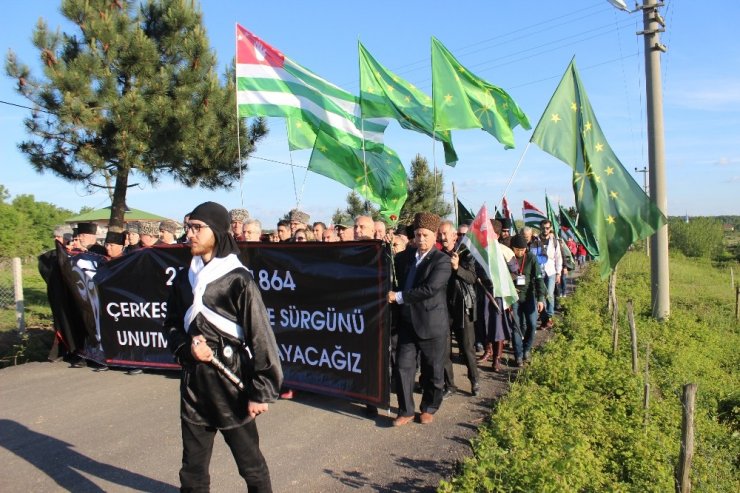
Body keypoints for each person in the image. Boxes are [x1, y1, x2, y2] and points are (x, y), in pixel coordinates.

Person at [164, 201, 283, 492]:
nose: (189, 234)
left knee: (251, 466)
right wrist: (186, 348)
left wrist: (261, 391)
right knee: (192, 470)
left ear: (216, 231)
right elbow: (171, 326)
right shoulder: (183, 278)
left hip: (232, 385)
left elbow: (261, 336)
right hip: (194, 385)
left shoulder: (238, 279)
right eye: (188, 227)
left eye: (197, 228)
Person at [388, 212, 451, 426]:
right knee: (403, 368)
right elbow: (392, 275)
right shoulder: (404, 257)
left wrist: (397, 297)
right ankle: (405, 410)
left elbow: (430, 289)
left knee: (433, 371)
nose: (421, 239)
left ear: (434, 236)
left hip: (432, 324)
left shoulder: (441, 260)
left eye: (425, 235)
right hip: (407, 324)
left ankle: (429, 407)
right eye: (417, 235)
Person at [437, 220, 479, 396]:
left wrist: (457, 267)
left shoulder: (465, 254)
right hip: (442, 308)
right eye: (440, 234)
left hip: (462, 307)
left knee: (467, 348)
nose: (442, 237)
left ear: (455, 236)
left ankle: (474, 380)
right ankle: (450, 385)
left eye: (445, 233)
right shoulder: (437, 255)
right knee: (444, 350)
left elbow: (472, 278)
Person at [509, 234, 546, 365]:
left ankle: (527, 349)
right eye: (517, 249)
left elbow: (539, 279)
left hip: (529, 297)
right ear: (512, 248)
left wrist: (540, 298)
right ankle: (518, 355)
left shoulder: (531, 258)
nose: (520, 252)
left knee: (531, 324)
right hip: (514, 298)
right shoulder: (508, 258)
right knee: (516, 327)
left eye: (522, 249)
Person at [536, 220, 562, 329]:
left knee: (549, 295)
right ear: (540, 228)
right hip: (539, 271)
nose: (545, 230)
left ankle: (549, 317)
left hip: (551, 271)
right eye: (543, 228)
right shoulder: (535, 241)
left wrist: (558, 273)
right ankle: (544, 319)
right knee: (540, 295)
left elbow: (558, 258)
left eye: (547, 228)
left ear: (550, 228)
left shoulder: (554, 241)